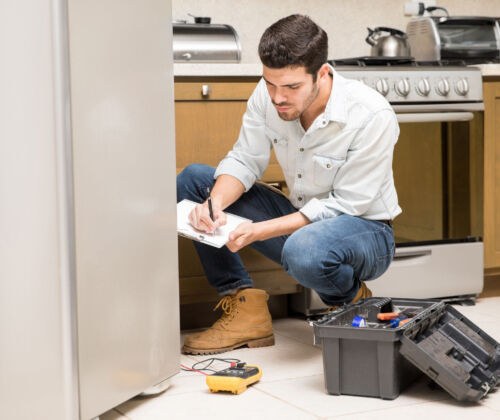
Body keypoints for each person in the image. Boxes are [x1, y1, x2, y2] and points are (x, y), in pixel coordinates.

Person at [177, 14, 401, 355]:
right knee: (194, 180)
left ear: (322, 74)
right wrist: (215, 203)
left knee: (305, 250)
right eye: (270, 84)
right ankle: (244, 307)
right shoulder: (268, 95)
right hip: (301, 218)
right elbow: (245, 159)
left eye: (292, 88)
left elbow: (345, 205)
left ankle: (351, 301)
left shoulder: (371, 115)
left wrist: (258, 231)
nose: (278, 98)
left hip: (366, 231)